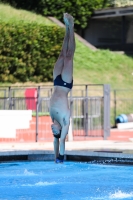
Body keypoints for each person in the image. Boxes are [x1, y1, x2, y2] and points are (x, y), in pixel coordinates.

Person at [49, 13, 75, 163]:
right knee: (69, 56)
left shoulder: (53, 118)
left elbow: (54, 141)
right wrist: (59, 157)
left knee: (61, 55)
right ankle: (71, 27)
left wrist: (53, 157)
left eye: (53, 131)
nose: (52, 129)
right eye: (54, 131)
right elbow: (60, 141)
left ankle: (66, 28)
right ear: (59, 131)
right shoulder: (64, 122)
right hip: (65, 84)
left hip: (55, 81)